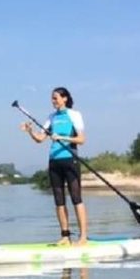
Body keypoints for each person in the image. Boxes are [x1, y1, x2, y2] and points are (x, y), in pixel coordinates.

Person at [20, 87, 88, 245]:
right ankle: (65, 236)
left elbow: (81, 139)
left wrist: (63, 137)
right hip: (54, 161)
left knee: (76, 199)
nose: (53, 101)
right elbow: (40, 139)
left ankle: (83, 237)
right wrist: (30, 131)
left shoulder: (74, 115)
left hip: (70, 159)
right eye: (52, 98)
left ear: (64, 98)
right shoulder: (51, 118)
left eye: (55, 98)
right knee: (59, 201)